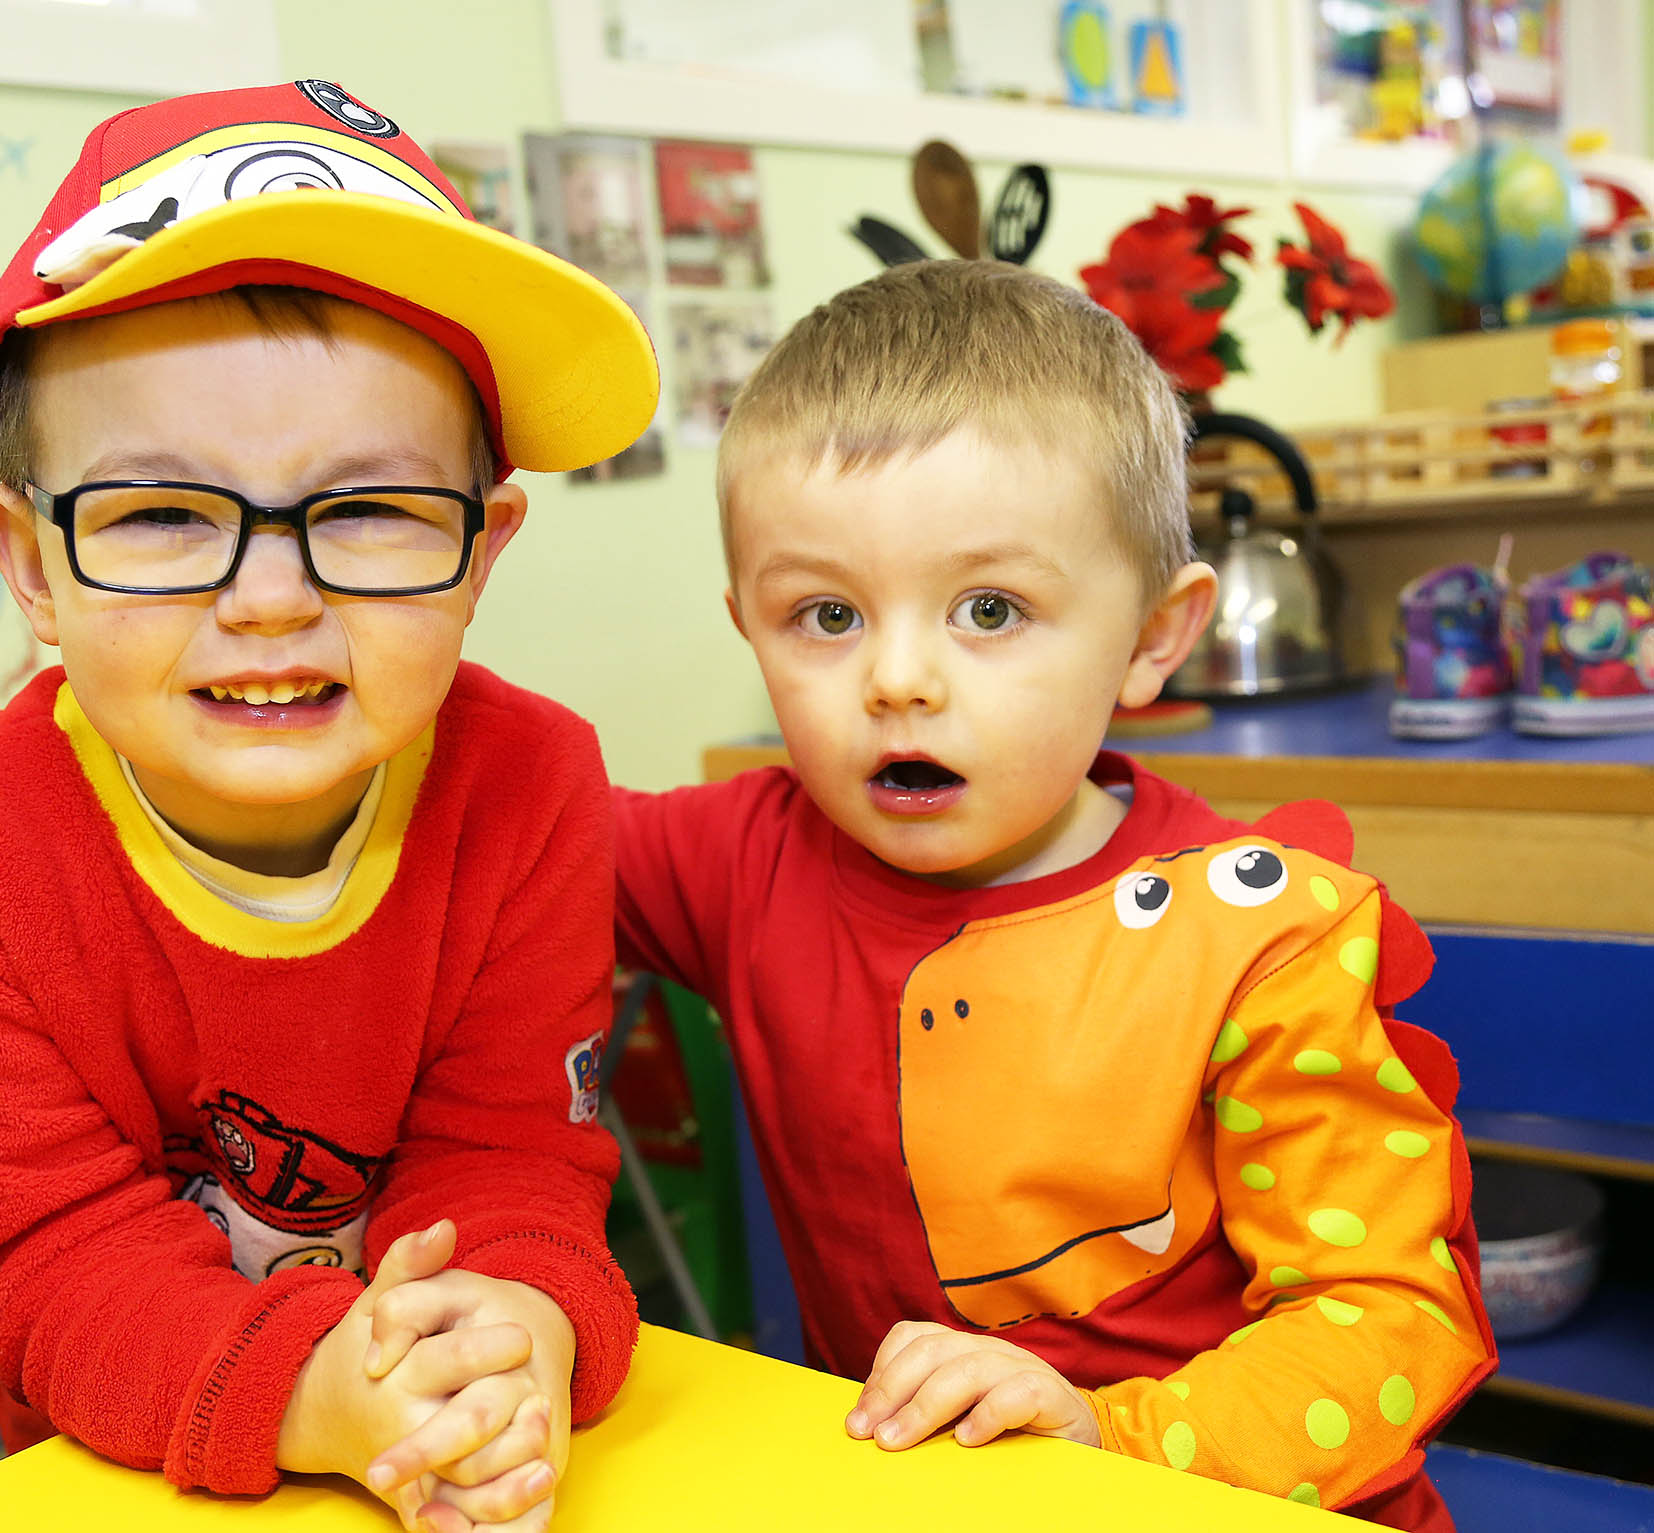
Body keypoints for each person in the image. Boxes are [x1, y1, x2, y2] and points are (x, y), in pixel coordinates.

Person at [0, 80, 658, 1533]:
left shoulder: (532, 782)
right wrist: (311, 1394)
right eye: (164, 514)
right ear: (30, 565)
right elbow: (55, 1258)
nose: (271, 599)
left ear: (482, 552)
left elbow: (517, 1161)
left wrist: (512, 1336)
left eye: (367, 511)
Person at [609, 261, 1494, 1528]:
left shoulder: (1263, 939)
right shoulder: (741, 856)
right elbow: (502, 823)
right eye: (824, 615)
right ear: (748, 624)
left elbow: (1394, 1317)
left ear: (1153, 637)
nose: (897, 679)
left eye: (989, 608)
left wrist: (1104, 1438)